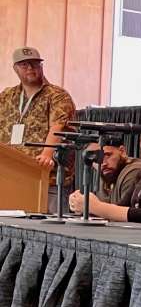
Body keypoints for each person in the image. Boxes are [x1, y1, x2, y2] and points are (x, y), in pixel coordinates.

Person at [1, 46, 78, 208]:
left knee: (46, 228)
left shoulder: (57, 95)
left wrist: (47, 154)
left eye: (35, 64)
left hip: (47, 178)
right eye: (24, 65)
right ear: (15, 69)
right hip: (11, 177)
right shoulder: (7, 96)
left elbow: (58, 126)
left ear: (41, 67)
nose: (30, 68)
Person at [89, 140, 141, 206]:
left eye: (107, 155)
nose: (103, 163)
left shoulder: (135, 171)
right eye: (95, 159)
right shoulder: (107, 174)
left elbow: (124, 212)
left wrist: (92, 206)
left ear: (122, 151)